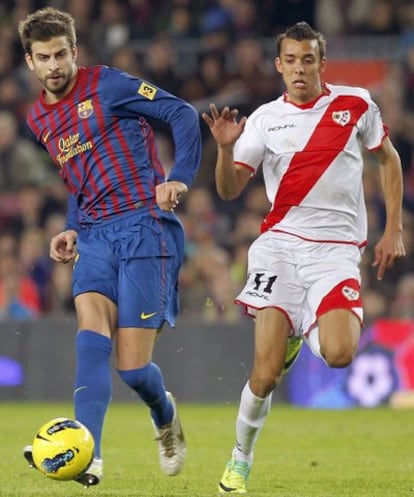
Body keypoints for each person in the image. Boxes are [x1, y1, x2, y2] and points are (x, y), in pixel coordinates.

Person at [202, 21, 405, 494]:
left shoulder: (356, 104)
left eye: (307, 60)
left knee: (339, 354)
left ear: (321, 63)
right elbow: (230, 189)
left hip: (335, 252)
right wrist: (225, 149)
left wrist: (394, 227)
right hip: (279, 248)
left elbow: (389, 159)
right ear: (278, 65)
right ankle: (240, 459)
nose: (299, 69)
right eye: (290, 60)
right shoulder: (264, 120)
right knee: (265, 374)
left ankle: (300, 331)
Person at [18, 7, 202, 487]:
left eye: (62, 54)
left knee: (133, 368)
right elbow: (78, 177)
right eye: (44, 57)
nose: (54, 65)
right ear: (29, 61)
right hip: (95, 235)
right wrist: (71, 225)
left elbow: (180, 112)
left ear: (75, 51)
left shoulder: (110, 85)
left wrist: (178, 177)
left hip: (145, 227)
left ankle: (164, 415)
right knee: (90, 331)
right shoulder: (37, 117)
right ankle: (89, 453)